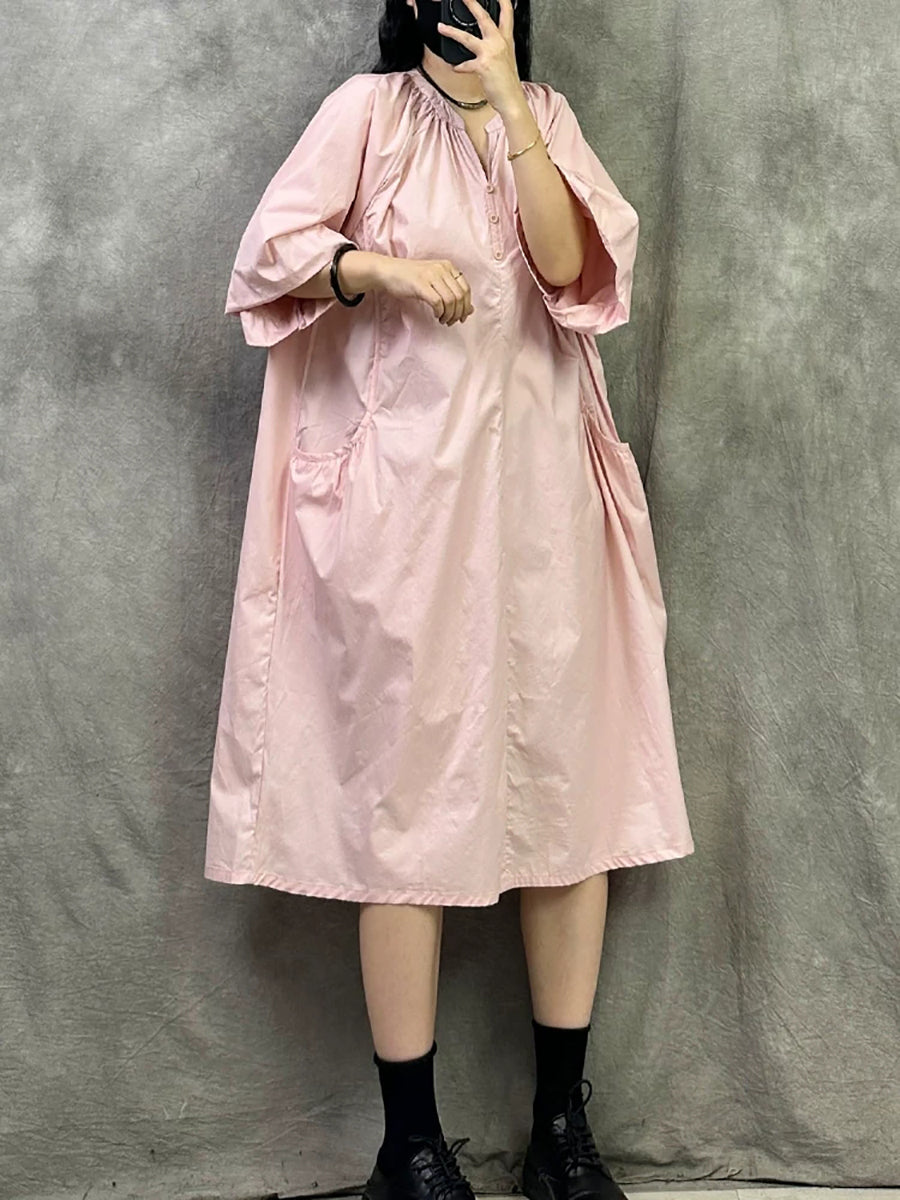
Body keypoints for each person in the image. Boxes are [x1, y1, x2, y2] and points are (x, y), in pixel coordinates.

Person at [205, 1, 696, 1198]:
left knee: (569, 800)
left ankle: (559, 1135)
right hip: (402, 520)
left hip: (543, 514)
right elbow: (271, 252)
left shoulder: (550, 120)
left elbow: (570, 269)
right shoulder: (367, 115)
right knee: (406, 814)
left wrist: (514, 100)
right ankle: (411, 1147)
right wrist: (378, 268)